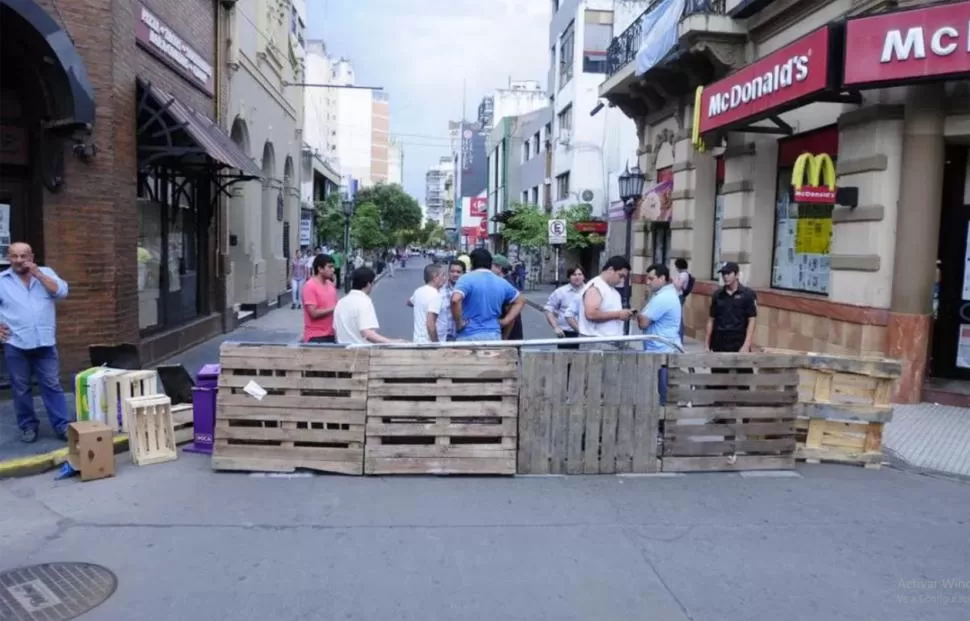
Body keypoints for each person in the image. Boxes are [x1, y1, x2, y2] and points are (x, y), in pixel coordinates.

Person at [0, 242, 71, 442]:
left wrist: (38, 274)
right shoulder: (2, 280)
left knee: (52, 385)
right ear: (8, 258)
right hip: (16, 343)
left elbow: (62, 292)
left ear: (31, 257)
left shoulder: (46, 273)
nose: (19, 260)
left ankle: (62, 425)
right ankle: (28, 426)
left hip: (45, 343)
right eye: (14, 256)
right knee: (21, 388)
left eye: (23, 256)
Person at [451, 248, 524, 342]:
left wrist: (459, 322)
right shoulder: (501, 282)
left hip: (469, 335)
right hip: (493, 336)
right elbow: (520, 300)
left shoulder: (465, 279)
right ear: (490, 263)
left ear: (472, 263)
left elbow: (455, 300)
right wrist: (505, 321)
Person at [638, 263, 683, 405]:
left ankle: (666, 418)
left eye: (651, 279)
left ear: (662, 278)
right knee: (662, 395)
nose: (647, 282)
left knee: (666, 397)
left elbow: (643, 323)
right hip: (660, 352)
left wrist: (639, 315)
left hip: (664, 353)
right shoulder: (663, 295)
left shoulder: (664, 297)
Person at [577, 255, 634, 350]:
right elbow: (591, 314)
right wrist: (618, 314)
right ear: (610, 269)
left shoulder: (611, 289)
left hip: (607, 342)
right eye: (621, 276)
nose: (622, 280)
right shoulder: (596, 287)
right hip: (597, 342)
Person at [334, 267, 402, 345]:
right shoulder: (364, 302)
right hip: (361, 350)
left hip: (342, 349)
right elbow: (367, 333)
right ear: (368, 284)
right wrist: (392, 342)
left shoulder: (340, 302)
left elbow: (336, 331)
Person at [706, 262, 757, 353]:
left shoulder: (747, 294)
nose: (725, 276)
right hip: (719, 342)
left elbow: (752, 320)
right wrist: (707, 344)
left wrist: (746, 344)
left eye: (728, 273)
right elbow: (711, 319)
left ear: (736, 275)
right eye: (723, 274)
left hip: (738, 341)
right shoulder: (717, 295)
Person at [544, 265, 585, 350]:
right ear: (569, 277)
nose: (577, 277)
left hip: (587, 333)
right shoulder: (561, 292)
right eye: (574, 275)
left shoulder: (590, 291)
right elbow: (548, 309)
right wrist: (556, 327)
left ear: (583, 276)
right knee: (567, 358)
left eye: (580, 274)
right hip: (567, 333)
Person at [302, 254, 338, 343]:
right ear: (320, 269)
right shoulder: (310, 286)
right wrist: (334, 308)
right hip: (315, 336)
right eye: (330, 267)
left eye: (333, 267)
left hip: (331, 334)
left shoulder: (330, 285)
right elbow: (313, 313)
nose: (333, 270)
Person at [409, 264, 446, 343]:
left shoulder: (418, 291)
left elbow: (409, 302)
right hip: (429, 343)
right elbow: (430, 324)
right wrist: (436, 344)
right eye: (443, 275)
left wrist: (421, 306)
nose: (445, 278)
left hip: (418, 341)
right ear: (435, 277)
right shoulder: (436, 296)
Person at [491, 254, 523, 341]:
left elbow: (510, 314)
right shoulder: (506, 281)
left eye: (491, 266)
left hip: (509, 335)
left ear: (499, 268)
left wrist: (504, 338)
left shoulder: (505, 285)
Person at [436, 260, 465, 342]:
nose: (455, 274)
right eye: (452, 271)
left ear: (463, 273)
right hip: (446, 335)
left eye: (458, 272)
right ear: (448, 272)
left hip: (463, 333)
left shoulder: (468, 291)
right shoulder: (440, 289)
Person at [673, 257, 694, 340]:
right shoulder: (685, 274)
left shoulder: (683, 275)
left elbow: (678, 286)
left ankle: (680, 336)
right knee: (678, 316)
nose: (676, 268)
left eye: (676, 266)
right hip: (680, 296)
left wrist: (674, 280)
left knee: (678, 317)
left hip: (679, 296)